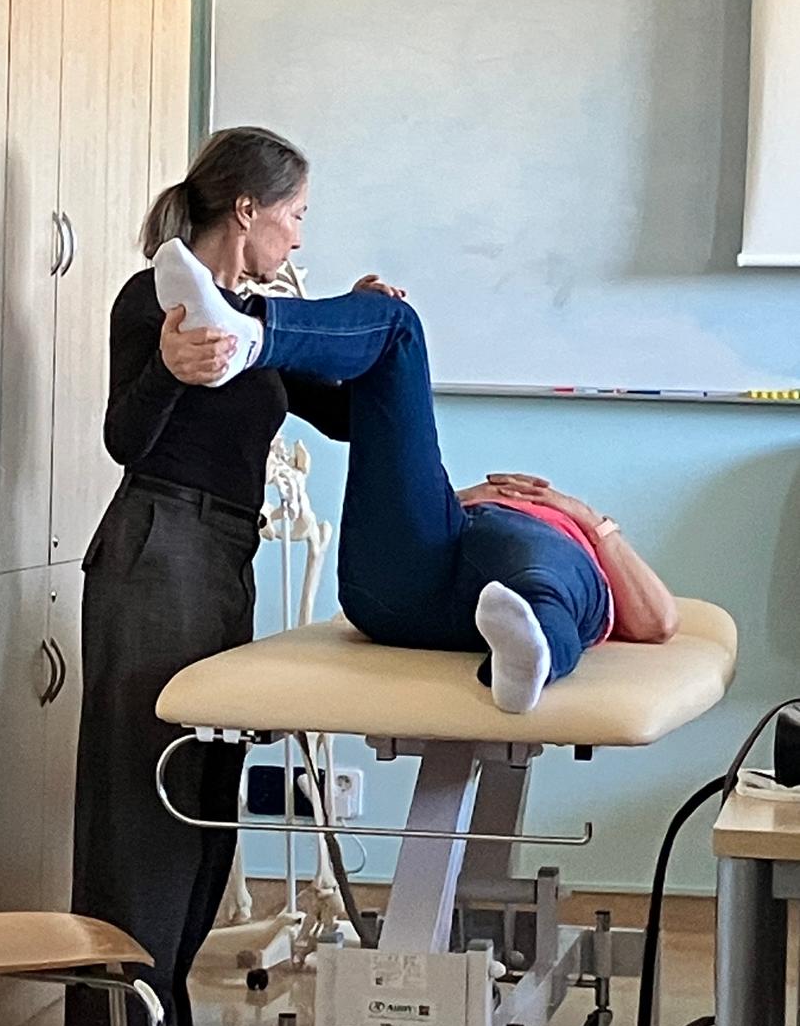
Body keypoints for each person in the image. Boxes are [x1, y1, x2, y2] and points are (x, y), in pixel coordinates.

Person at [62, 127, 399, 1026]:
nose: (300, 236)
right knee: (145, 802)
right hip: (157, 546)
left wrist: (362, 325)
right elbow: (126, 437)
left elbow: (345, 416)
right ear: (246, 209)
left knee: (206, 800)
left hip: (220, 557)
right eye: (294, 215)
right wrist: (171, 364)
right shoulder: (154, 301)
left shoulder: (260, 319)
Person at [153, 236, 680, 715]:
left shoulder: (577, 538)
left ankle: (526, 657)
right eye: (296, 215)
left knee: (539, 586)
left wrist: (587, 519)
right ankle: (244, 334)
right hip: (413, 573)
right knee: (393, 324)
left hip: (503, 571)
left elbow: (659, 622)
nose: (298, 233)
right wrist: (456, 500)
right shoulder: (469, 514)